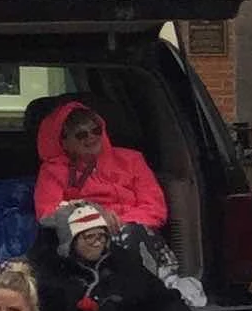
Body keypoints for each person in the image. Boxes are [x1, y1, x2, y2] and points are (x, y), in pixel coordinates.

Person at [29, 200, 195, 311]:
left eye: (101, 236)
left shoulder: (123, 263)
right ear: (70, 241)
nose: (97, 243)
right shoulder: (49, 276)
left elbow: (162, 301)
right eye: (89, 237)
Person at [30, 98, 168, 232]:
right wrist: (96, 221)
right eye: (81, 134)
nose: (91, 137)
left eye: (96, 130)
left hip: (136, 231)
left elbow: (155, 208)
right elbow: (47, 214)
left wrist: (120, 223)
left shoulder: (132, 159)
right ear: (64, 142)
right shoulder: (52, 171)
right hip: (86, 238)